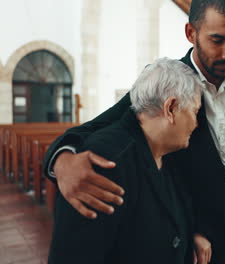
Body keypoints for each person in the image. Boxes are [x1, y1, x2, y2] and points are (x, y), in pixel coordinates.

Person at [43, 0, 225, 263]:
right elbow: (99, 126)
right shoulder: (165, 82)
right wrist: (61, 159)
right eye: (217, 40)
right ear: (191, 33)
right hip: (197, 243)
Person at [48, 58, 202, 263]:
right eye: (195, 111)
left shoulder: (165, 153)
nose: (197, 123)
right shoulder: (104, 163)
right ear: (171, 108)